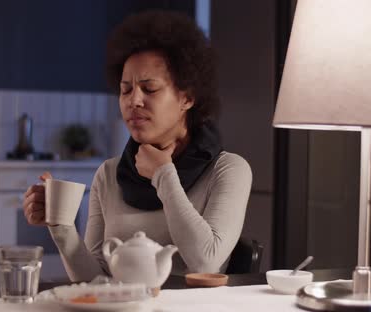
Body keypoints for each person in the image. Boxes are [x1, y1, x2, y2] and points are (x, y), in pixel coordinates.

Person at [23, 10, 252, 282]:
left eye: (150, 89)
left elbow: (206, 261)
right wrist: (60, 226)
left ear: (187, 98)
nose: (134, 101)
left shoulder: (228, 170)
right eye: (125, 89)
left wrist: (164, 175)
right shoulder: (108, 174)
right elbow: (95, 282)